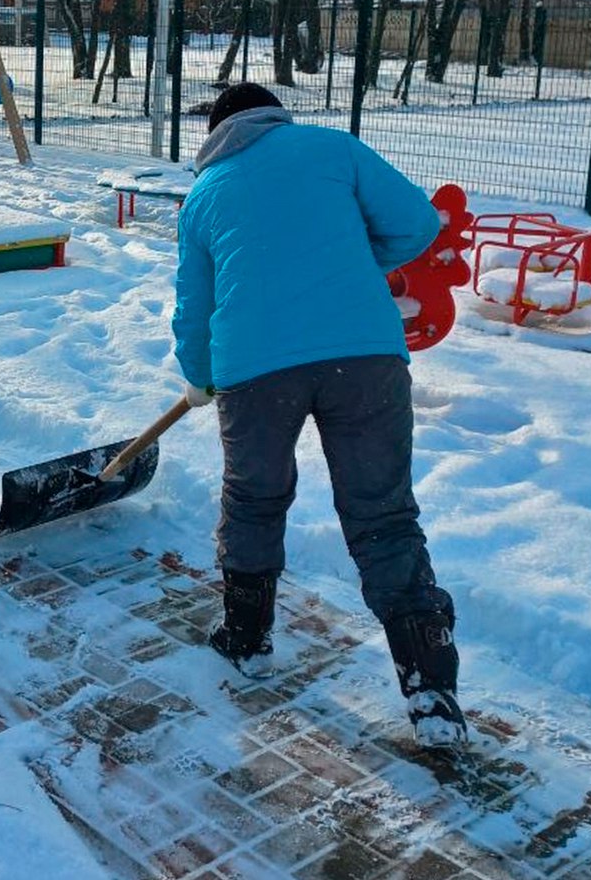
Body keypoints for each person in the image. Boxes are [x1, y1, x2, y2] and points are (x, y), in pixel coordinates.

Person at [173, 82, 467, 749]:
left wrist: (199, 379)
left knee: (253, 497)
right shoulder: (333, 147)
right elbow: (419, 224)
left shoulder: (203, 195)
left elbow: (195, 306)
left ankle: (246, 638)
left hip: (254, 367)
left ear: (217, 133)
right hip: (364, 355)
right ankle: (429, 688)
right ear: (277, 115)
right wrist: (353, 266)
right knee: (383, 512)